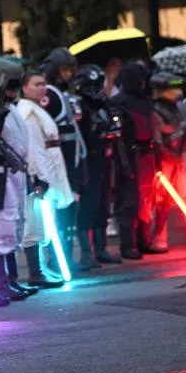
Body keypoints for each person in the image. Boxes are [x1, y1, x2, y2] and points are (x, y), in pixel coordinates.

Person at [17, 70, 75, 287]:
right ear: (25, 87)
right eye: (36, 84)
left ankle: (40, 267)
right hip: (40, 170)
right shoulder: (27, 112)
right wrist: (39, 177)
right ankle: (36, 270)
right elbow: (32, 149)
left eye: (43, 83)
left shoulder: (35, 109)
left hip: (49, 166)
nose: (42, 87)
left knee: (43, 219)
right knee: (35, 220)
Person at [0, 61, 36, 298]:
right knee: (0, 228)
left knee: (14, 226)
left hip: (16, 174)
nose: (14, 93)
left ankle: (11, 279)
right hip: (1, 176)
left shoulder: (10, 109)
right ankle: (0, 283)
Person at [72, 64, 123, 266]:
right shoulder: (80, 105)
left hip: (103, 157)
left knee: (102, 203)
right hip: (88, 160)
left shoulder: (103, 104)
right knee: (88, 204)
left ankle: (100, 249)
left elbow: (113, 126)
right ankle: (86, 252)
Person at [42, 48, 87, 265]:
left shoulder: (63, 93)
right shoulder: (49, 94)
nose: (68, 74)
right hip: (61, 163)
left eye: (70, 70)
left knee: (69, 212)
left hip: (72, 160)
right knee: (61, 211)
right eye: (63, 70)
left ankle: (67, 256)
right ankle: (58, 259)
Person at [150, 70, 186, 250]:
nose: (177, 90)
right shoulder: (153, 109)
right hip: (163, 158)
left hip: (185, 155)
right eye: (172, 87)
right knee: (160, 200)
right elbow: (158, 134)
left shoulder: (183, 107)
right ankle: (159, 237)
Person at [113, 62, 161, 257]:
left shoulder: (146, 101)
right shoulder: (119, 102)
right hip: (130, 156)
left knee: (146, 200)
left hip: (146, 156)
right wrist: (124, 163)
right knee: (128, 201)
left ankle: (142, 240)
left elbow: (151, 129)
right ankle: (127, 244)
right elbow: (118, 137)